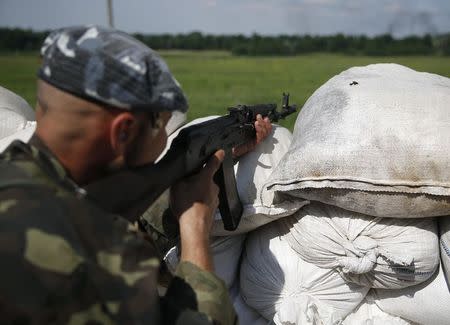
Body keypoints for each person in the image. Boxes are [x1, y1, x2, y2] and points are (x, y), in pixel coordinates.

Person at [0, 25, 272, 324]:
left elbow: (95, 205)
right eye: (162, 130)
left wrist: (219, 154)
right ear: (123, 131)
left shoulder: (13, 173)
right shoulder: (104, 263)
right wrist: (195, 226)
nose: (161, 148)